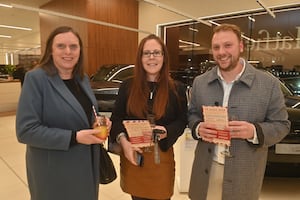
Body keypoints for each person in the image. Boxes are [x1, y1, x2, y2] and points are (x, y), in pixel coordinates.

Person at [188, 23, 290, 200]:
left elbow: (282, 125)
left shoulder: (268, 84)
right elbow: (192, 114)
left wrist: (254, 131)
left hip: (244, 174)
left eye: (228, 45)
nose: (221, 52)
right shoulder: (200, 82)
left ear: (241, 46)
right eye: (216, 47)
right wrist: (197, 127)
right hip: (206, 170)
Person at [16, 26, 110, 200]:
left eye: (73, 46)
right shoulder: (36, 79)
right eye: (61, 46)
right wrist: (74, 137)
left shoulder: (82, 78)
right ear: (51, 51)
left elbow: (85, 113)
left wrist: (99, 122)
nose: (68, 51)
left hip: (86, 166)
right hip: (54, 171)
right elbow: (26, 131)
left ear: (80, 51)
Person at [110, 34, 187, 200]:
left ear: (164, 57)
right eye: (146, 53)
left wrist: (167, 130)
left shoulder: (177, 88)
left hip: (161, 161)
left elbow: (182, 120)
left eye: (157, 52)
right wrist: (123, 142)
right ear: (140, 58)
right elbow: (116, 119)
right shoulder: (127, 86)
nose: (151, 57)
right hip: (134, 157)